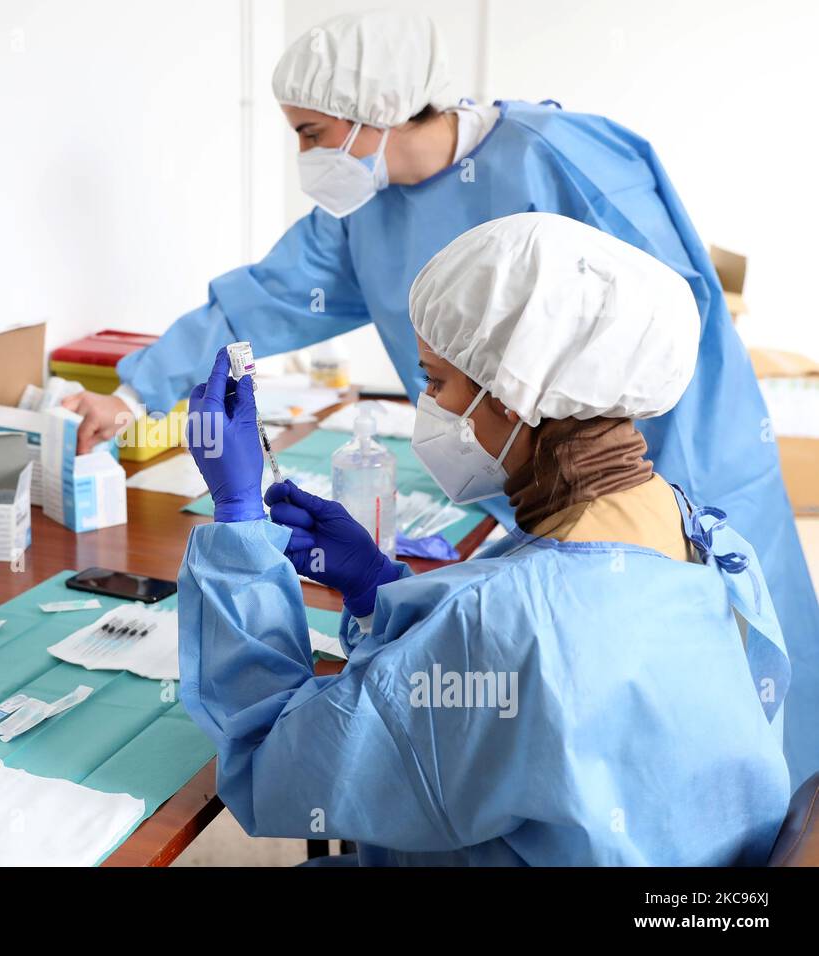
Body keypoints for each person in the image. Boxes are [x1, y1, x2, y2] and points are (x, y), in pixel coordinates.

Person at [62, 10, 819, 784]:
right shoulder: (364, 211)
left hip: (679, 476)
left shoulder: (556, 159)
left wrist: (237, 539)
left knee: (728, 707)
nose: (305, 157)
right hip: (554, 499)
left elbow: (281, 765)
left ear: (374, 107)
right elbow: (263, 298)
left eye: (311, 132)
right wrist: (134, 391)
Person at [176, 213, 791, 866]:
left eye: (437, 382)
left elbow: (274, 769)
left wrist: (239, 522)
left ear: (512, 398)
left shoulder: (503, 621)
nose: (428, 404)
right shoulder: (711, 543)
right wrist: (378, 586)